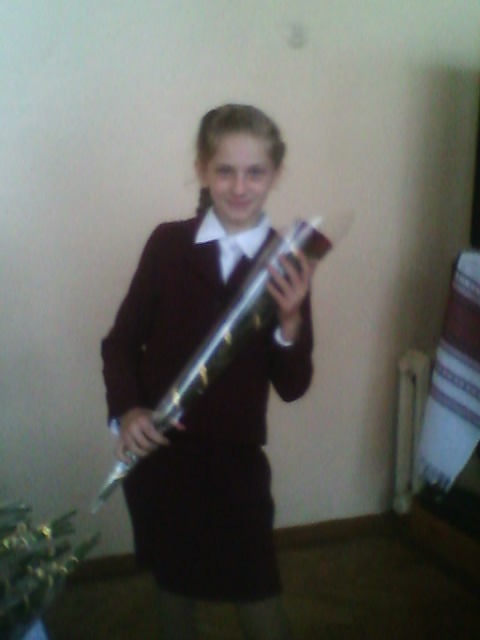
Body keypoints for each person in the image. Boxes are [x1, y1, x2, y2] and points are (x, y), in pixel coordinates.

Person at [101, 104, 315, 639]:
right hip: (163, 462)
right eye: (225, 171)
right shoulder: (167, 246)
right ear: (202, 169)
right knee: (173, 595)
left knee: (259, 599)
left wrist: (290, 322)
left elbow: (293, 386)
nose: (240, 187)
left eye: (255, 172)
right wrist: (127, 412)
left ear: (275, 175)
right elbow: (120, 344)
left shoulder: (286, 261)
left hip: (236, 468)